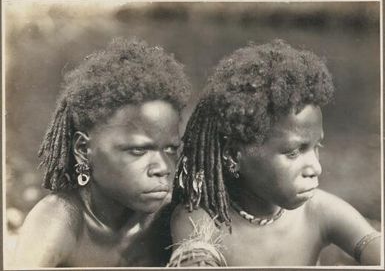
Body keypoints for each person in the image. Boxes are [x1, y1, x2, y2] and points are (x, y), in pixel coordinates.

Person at [168, 40, 381, 266]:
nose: (315, 168)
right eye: (293, 152)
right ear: (233, 155)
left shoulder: (319, 211)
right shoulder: (201, 219)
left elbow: (374, 247)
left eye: (316, 147)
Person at [12, 38, 191, 267]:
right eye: (138, 150)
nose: (163, 168)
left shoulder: (171, 220)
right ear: (83, 149)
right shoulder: (58, 221)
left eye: (171, 149)